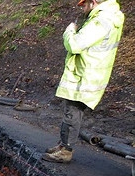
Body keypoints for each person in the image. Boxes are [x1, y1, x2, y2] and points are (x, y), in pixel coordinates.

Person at [42, 0, 124, 164]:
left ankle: (65, 151)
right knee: (71, 111)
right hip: (89, 72)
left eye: (84, 5)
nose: (83, 9)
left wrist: (69, 31)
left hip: (86, 74)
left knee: (73, 113)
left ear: (93, 3)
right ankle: (63, 145)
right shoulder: (108, 17)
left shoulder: (101, 20)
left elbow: (74, 45)